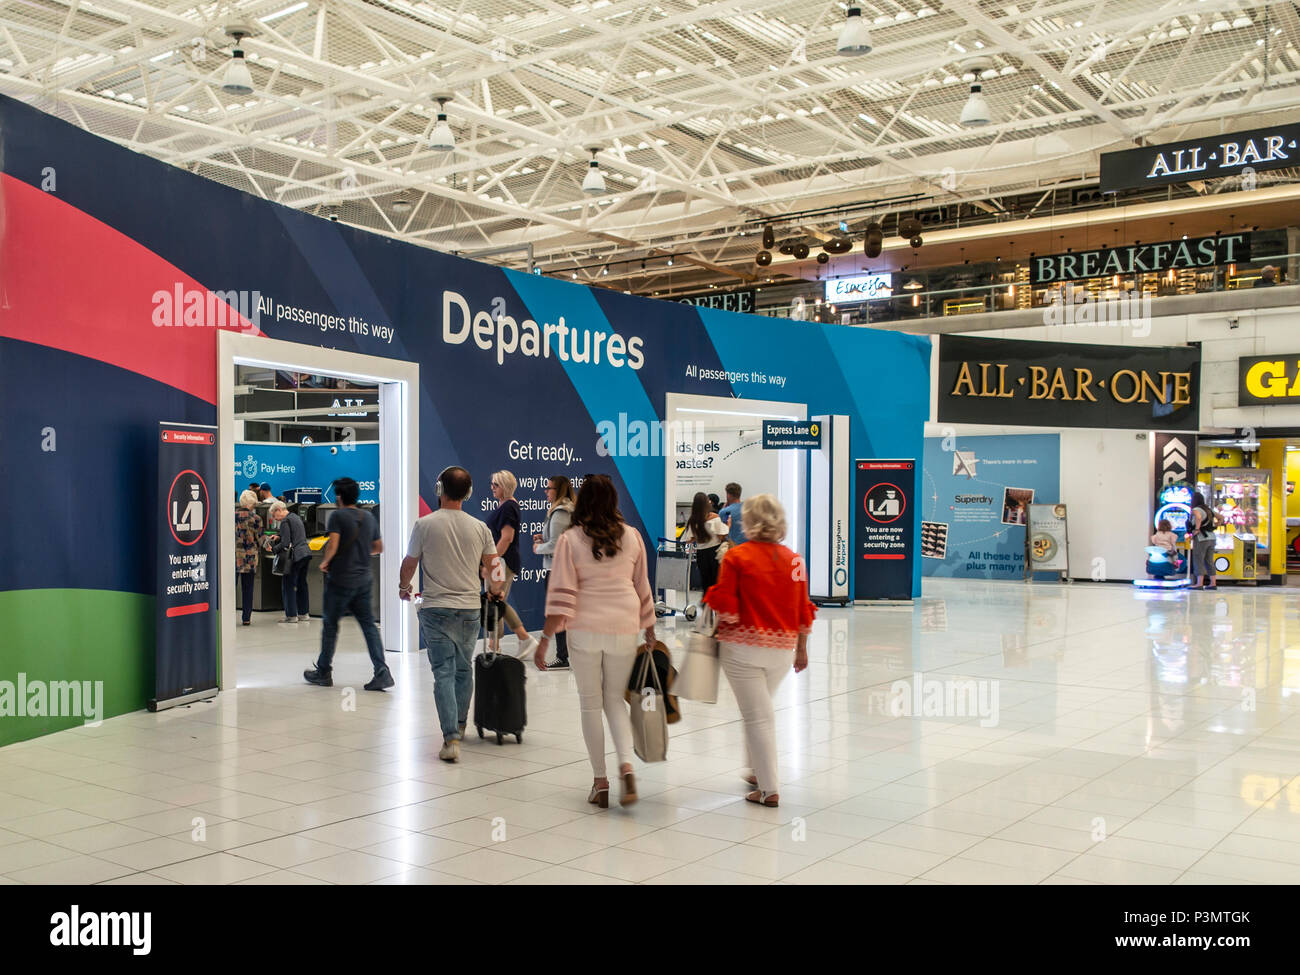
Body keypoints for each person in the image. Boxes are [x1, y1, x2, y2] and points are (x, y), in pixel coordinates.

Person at [533, 474, 656, 809]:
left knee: (590, 703)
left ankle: (600, 782)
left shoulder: (570, 540)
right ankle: (626, 767)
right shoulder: (632, 537)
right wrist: (649, 627)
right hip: (623, 625)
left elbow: (561, 595)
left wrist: (544, 639)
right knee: (615, 700)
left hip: (584, 626)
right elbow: (642, 585)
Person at [702, 494, 814, 808]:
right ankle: (754, 771)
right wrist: (801, 649)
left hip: (742, 649)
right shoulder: (795, 560)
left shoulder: (737, 558)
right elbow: (803, 609)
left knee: (758, 717)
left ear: (747, 522)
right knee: (758, 711)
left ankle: (769, 788)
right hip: (781, 649)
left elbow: (728, 609)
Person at [399, 466, 504, 763]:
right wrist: (496, 589)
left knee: (442, 673)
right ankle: (460, 721)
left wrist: (403, 586)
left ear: (438, 490)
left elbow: (410, 563)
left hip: (435, 609)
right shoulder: (480, 527)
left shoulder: (424, 525)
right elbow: (495, 565)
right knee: (463, 669)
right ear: (468, 493)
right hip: (470, 608)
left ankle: (450, 738)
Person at [304, 477, 393, 691]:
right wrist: (361, 553)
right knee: (369, 626)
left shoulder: (338, 516)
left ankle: (324, 671)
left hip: (341, 581)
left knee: (331, 626)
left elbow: (333, 543)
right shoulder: (368, 517)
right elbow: (379, 547)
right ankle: (382, 671)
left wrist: (326, 562)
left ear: (340, 496)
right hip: (364, 580)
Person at [485, 470, 540, 659]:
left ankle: (500, 643)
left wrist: (492, 560)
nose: (492, 488)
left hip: (502, 561)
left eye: (495, 485)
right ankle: (510, 641)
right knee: (497, 601)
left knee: (495, 601)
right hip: (503, 560)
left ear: (505, 487)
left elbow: (507, 538)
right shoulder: (507, 505)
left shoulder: (508, 507)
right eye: (492, 484)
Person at [532, 475, 576, 669]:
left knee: (556, 612)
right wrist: (544, 537)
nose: (546, 491)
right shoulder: (564, 510)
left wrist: (538, 548)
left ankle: (562, 656)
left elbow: (556, 544)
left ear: (558, 491)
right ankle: (564, 654)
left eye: (549, 488)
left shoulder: (560, 511)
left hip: (557, 569)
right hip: (560, 567)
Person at [269, 500, 311, 624]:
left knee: (288, 585)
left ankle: (291, 615)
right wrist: (279, 536)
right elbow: (294, 535)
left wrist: (273, 549)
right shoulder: (295, 517)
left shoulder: (285, 521)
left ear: (279, 510)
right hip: (306, 554)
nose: (274, 518)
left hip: (295, 557)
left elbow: (286, 544)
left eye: (274, 515)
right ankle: (304, 614)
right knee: (302, 584)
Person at [679, 491, 728, 591]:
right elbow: (722, 536)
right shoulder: (715, 518)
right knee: (716, 581)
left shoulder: (693, 520)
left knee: (706, 582)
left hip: (701, 554)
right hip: (715, 552)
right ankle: (715, 604)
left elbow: (689, 540)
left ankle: (707, 604)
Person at [235, 490, 263, 626]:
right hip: (250, 558)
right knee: (248, 589)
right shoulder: (256, 518)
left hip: (233, 557)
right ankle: (246, 618)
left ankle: (227, 617)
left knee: (230, 589)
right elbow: (260, 539)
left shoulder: (231, 516)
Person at [1190, 492, 1218, 590]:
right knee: (1209, 561)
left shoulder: (1196, 509)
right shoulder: (1208, 509)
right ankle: (1213, 583)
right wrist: (1217, 525)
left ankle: (1199, 583)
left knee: (1199, 560)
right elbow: (1221, 517)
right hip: (1212, 538)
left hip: (1201, 538)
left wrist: (1197, 529)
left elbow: (1198, 517)